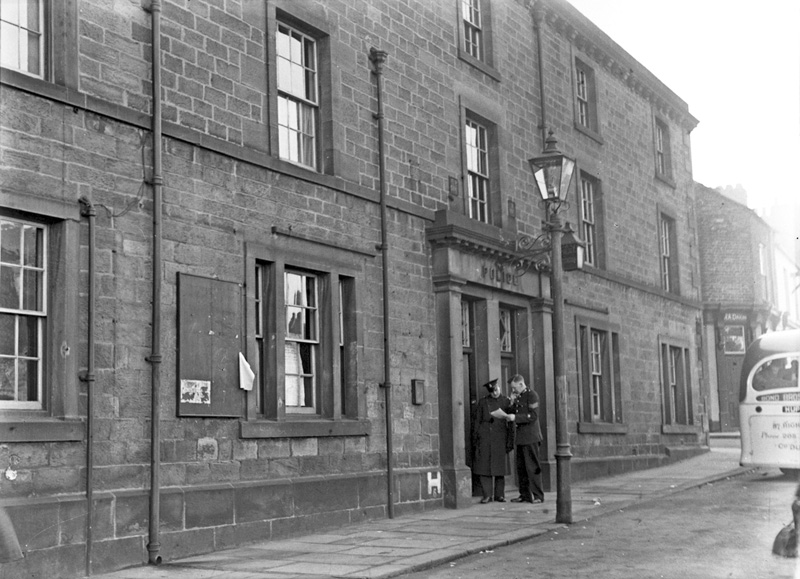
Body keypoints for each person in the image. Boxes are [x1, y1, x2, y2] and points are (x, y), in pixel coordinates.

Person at [471, 378, 513, 503]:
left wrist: (510, 440)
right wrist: (476, 437)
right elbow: (477, 420)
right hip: (485, 438)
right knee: (485, 467)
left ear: (499, 387)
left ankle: (500, 495)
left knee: (500, 468)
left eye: (496, 390)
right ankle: (487, 495)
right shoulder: (483, 402)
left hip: (500, 437)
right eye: (492, 391)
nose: (495, 393)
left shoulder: (506, 401)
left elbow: (511, 423)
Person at [506, 374, 544, 504]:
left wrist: (515, 418)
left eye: (514, 388)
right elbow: (513, 410)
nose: (513, 390)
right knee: (521, 468)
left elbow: (533, 416)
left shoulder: (532, 395)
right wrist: (512, 402)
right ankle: (524, 495)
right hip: (521, 437)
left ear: (521, 384)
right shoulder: (518, 397)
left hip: (531, 437)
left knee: (532, 467)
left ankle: (538, 496)